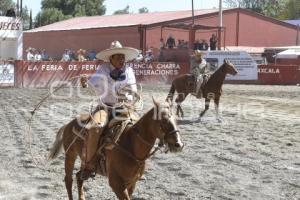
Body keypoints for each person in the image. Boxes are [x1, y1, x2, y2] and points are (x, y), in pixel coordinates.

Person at [80, 40, 139, 180]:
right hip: (105, 107)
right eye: (118, 57)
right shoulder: (102, 70)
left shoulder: (129, 70)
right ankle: (89, 165)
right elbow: (91, 84)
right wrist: (84, 83)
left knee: (139, 128)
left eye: (122, 57)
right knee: (95, 128)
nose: (121, 60)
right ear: (111, 58)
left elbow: (134, 89)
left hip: (124, 107)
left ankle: (138, 164)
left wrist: (129, 97)